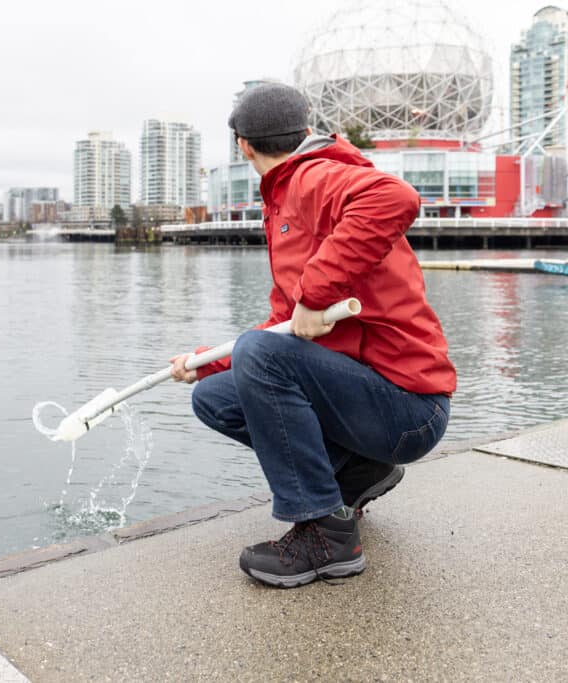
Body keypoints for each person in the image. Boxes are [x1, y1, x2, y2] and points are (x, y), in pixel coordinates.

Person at [169, 83, 456, 589]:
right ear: (304, 131)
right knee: (214, 397)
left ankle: (325, 535)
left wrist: (317, 290)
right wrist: (203, 362)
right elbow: (283, 324)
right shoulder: (288, 199)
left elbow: (395, 196)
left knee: (260, 357)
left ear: (243, 146)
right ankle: (359, 474)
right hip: (374, 408)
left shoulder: (310, 179)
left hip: (410, 409)